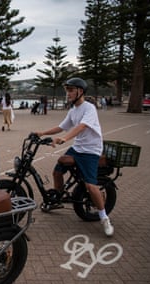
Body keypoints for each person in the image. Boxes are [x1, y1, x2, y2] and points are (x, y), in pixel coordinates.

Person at [35, 77, 114, 237]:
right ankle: (57, 199)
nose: (68, 93)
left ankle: (104, 217)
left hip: (91, 150)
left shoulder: (89, 108)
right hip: (77, 148)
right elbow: (61, 127)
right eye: (67, 90)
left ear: (80, 91)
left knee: (91, 186)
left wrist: (65, 139)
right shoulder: (73, 111)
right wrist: (42, 132)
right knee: (57, 171)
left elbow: (81, 126)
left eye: (71, 90)